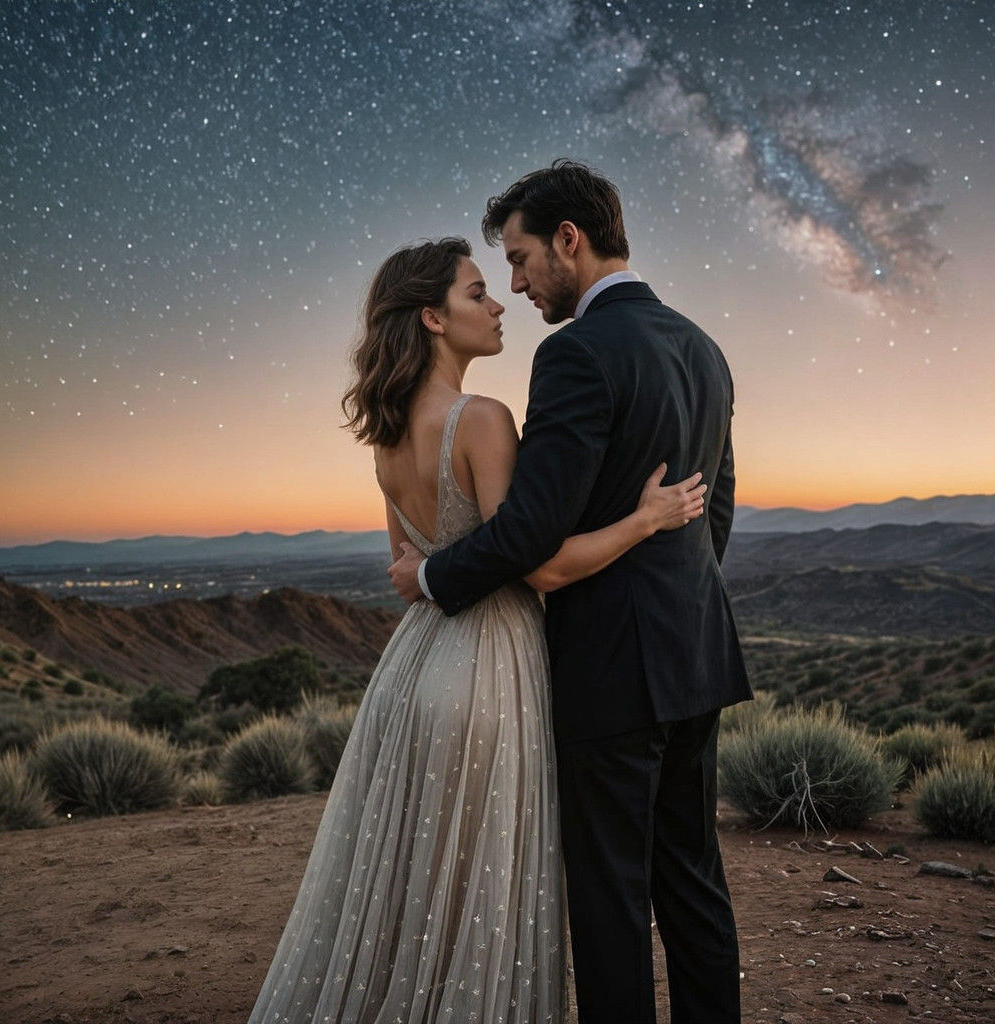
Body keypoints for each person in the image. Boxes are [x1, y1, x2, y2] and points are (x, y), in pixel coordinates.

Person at [246, 235, 706, 1024]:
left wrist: (434, 575)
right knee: (479, 879)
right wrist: (645, 520)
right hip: (492, 667)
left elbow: (407, 575)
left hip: (415, 671)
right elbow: (537, 564)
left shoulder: (386, 442)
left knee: (417, 881)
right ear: (432, 317)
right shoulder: (484, 419)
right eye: (476, 293)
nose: (500, 304)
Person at [388, 161, 753, 1024]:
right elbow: (716, 511)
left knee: (611, 902)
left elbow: (527, 536)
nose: (515, 283)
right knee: (694, 885)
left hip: (607, 672)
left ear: (568, 240)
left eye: (519, 259)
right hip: (695, 654)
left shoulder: (576, 354)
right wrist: (672, 598)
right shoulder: (702, 346)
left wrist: (430, 575)